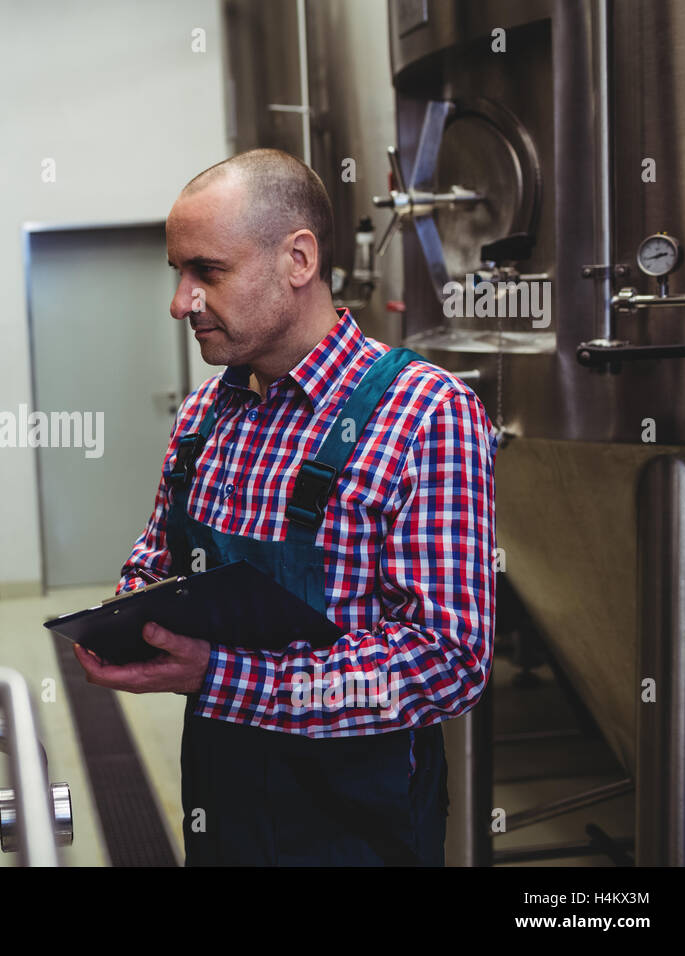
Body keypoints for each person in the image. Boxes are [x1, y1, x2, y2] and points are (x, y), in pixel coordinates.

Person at [72, 148, 497, 866]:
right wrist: (131, 620)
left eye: (207, 272)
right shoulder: (206, 415)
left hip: (359, 827)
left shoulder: (426, 413)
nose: (181, 302)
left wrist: (219, 675)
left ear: (298, 259)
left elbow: (447, 659)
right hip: (222, 808)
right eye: (178, 275)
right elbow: (156, 561)